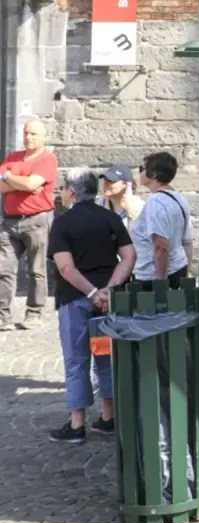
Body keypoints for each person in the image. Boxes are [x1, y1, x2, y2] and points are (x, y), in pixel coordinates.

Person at [46, 168, 136, 444]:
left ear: (71, 191)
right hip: (108, 302)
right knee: (106, 357)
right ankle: (108, 417)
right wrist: (108, 290)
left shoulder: (63, 223)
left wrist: (92, 292)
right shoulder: (110, 218)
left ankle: (77, 424)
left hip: (75, 299)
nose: (61, 192)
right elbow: (129, 256)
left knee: (76, 360)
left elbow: (65, 267)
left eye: (63, 187)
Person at [0, 119, 58, 330]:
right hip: (10, 221)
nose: (28, 137)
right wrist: (18, 181)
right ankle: (2, 316)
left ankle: (34, 313)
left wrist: (10, 178)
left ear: (43, 136)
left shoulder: (47, 159)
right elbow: (1, 185)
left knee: (36, 269)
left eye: (33, 134)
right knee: (3, 269)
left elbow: (33, 184)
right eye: (26, 133)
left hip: (36, 220)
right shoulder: (12, 157)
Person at [132, 152, 195, 289]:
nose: (140, 172)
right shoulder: (179, 199)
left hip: (153, 277)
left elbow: (160, 246)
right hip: (178, 269)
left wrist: (161, 283)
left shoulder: (156, 202)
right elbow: (187, 242)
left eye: (142, 168)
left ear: (153, 174)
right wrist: (184, 276)